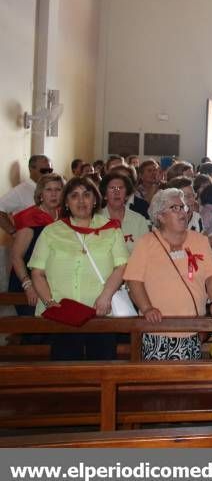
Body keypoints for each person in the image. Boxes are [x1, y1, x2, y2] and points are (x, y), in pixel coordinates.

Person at [28, 177, 128, 360]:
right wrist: (50, 303)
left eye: (86, 195)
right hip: (62, 314)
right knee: (64, 371)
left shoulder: (111, 229)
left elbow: (121, 266)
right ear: (66, 202)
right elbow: (37, 272)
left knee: (102, 369)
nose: (81, 201)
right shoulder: (52, 231)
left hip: (100, 313)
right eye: (74, 196)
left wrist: (106, 296)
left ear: (95, 200)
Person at [125, 189, 212, 360]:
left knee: (189, 383)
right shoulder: (146, 242)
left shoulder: (200, 240)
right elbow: (133, 280)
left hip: (193, 329)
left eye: (184, 207)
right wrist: (147, 308)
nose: (183, 212)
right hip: (157, 329)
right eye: (175, 208)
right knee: (159, 383)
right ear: (160, 216)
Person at [9, 174, 64, 317]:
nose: (53, 194)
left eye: (58, 190)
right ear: (40, 194)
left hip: (53, 281)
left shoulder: (63, 217)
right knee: (36, 330)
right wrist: (27, 285)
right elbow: (16, 256)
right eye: (48, 190)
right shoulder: (30, 217)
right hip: (27, 281)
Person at [0, 154, 52, 235]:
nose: (48, 174)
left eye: (50, 170)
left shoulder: (53, 190)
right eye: (44, 171)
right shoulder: (20, 191)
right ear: (31, 169)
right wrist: (14, 233)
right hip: (29, 244)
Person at [100, 172, 150, 254]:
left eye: (120, 188)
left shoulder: (139, 220)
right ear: (105, 195)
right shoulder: (95, 219)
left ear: (127, 194)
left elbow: (146, 252)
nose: (117, 192)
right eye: (112, 188)